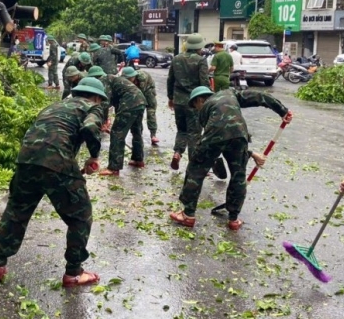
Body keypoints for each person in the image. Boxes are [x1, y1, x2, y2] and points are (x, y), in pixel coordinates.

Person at [0, 77, 107, 287]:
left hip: (26, 159)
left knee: (16, 211)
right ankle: (74, 272)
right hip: (57, 162)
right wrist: (94, 156)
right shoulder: (93, 107)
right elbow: (90, 128)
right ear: (97, 97)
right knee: (81, 216)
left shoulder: (55, 106)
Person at [169, 86, 293, 230]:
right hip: (240, 135)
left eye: (195, 105)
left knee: (195, 170)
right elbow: (258, 96)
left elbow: (215, 137)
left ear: (200, 100)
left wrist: (204, 159)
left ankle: (188, 214)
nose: (196, 109)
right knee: (238, 175)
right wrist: (283, 111)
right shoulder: (230, 93)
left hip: (216, 135)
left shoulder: (205, 110)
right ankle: (233, 219)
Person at [87, 66, 146, 176]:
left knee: (117, 133)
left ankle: (114, 168)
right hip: (140, 101)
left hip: (129, 103)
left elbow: (105, 103)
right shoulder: (112, 78)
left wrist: (102, 122)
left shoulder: (103, 81)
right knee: (136, 131)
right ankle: (138, 160)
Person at [167, 33, 210, 171]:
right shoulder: (201, 60)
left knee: (182, 130)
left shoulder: (176, 59)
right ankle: (194, 164)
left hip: (178, 101)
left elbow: (170, 80)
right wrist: (208, 100)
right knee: (195, 134)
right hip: (195, 102)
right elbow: (204, 82)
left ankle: (177, 153)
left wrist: (170, 98)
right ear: (199, 46)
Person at [121, 67, 159, 146]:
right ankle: (138, 133)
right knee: (137, 112)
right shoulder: (125, 80)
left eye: (129, 79)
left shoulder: (142, 78)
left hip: (148, 90)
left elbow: (139, 95)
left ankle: (153, 134)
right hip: (138, 91)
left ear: (133, 77)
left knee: (150, 112)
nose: (127, 81)